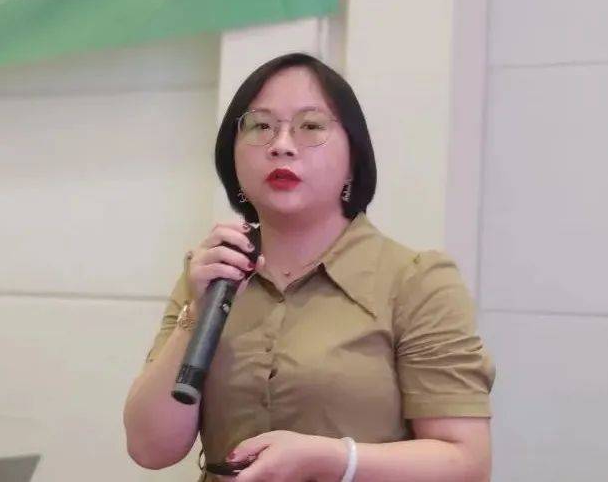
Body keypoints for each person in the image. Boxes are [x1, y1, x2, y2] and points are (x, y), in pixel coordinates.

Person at [124, 53, 496, 481]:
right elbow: (150, 448)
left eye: (311, 126)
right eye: (260, 126)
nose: (281, 144)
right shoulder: (213, 271)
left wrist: (335, 459)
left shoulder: (416, 281)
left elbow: (467, 464)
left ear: (354, 157)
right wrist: (195, 314)